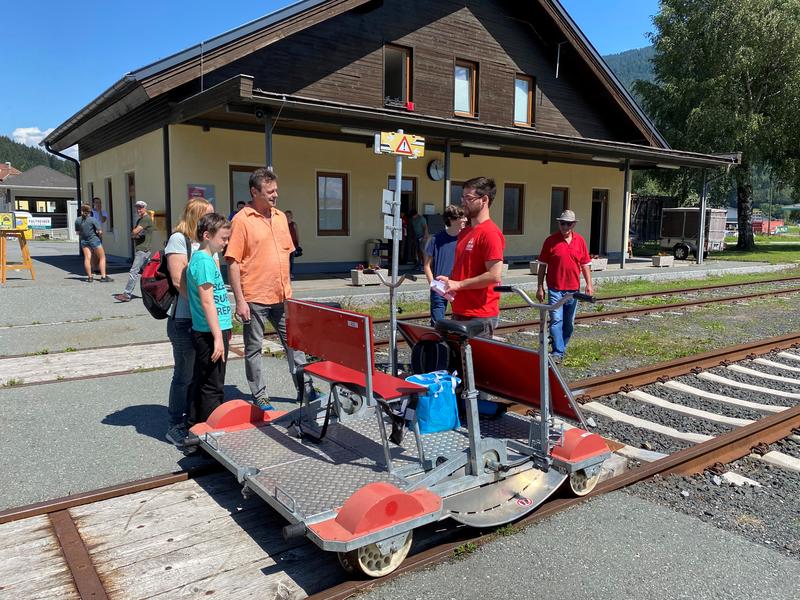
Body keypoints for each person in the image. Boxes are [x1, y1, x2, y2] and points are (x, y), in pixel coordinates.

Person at [225, 168, 314, 410]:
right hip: (254, 297)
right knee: (254, 349)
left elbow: (285, 254)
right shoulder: (241, 220)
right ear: (255, 192)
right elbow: (232, 262)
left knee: (296, 346)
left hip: (282, 296)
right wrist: (239, 301)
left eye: (276, 190)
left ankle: (306, 390)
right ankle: (260, 396)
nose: (276, 195)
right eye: (270, 191)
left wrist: (289, 289)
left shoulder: (280, 217)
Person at [164, 198, 213, 447]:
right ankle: (174, 424)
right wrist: (200, 306)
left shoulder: (202, 242)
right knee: (183, 375)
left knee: (198, 374)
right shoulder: (178, 240)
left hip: (202, 319)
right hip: (184, 319)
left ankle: (192, 420)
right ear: (196, 216)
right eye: (208, 216)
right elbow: (177, 280)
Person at [437, 177, 505, 336]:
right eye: (463, 197)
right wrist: (450, 283)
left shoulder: (490, 233)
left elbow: (494, 276)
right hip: (461, 310)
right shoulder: (465, 232)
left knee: (475, 361)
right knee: (457, 360)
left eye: (469, 198)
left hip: (480, 314)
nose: (463, 202)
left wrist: (459, 285)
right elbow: (466, 270)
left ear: (484, 200)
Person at [185, 213, 233, 430]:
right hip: (209, 332)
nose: (226, 243)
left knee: (203, 380)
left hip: (211, 329)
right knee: (213, 386)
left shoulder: (202, 259)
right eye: (223, 238)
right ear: (207, 235)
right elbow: (207, 302)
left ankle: (195, 427)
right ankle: (211, 433)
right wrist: (217, 338)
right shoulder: (204, 261)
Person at [535, 209, 594, 362]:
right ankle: (558, 352)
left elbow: (585, 265)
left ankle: (560, 346)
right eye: (563, 223)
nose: (565, 226)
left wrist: (589, 284)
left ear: (573, 225)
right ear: (559, 223)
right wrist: (540, 287)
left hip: (573, 290)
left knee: (569, 324)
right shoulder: (550, 241)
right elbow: (542, 266)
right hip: (555, 288)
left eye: (568, 224)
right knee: (556, 320)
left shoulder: (580, 241)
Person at [423, 204, 466, 324]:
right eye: (461, 217)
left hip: (458, 285)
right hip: (439, 287)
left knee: (462, 321)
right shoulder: (436, 239)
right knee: (437, 323)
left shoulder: (466, 238)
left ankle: (459, 342)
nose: (465, 219)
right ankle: (438, 342)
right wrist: (432, 284)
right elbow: (426, 265)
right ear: (452, 220)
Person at [114, 200, 153, 302]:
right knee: (148, 273)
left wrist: (135, 233)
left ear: (145, 208)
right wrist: (135, 233)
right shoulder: (141, 220)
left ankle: (127, 294)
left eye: (141, 207)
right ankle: (154, 292)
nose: (138, 209)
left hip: (142, 250)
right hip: (143, 249)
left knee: (133, 271)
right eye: (137, 207)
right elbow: (135, 234)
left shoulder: (146, 219)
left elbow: (134, 231)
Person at [75, 203, 113, 283]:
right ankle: (103, 277)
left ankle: (90, 277)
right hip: (94, 240)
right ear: (90, 211)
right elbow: (100, 231)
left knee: (87, 258)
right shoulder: (92, 219)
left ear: (81, 211)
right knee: (102, 257)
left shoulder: (77, 220)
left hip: (84, 241)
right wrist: (99, 235)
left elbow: (78, 233)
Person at [90, 197, 109, 275]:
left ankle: (97, 267)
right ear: (93, 204)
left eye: (100, 202)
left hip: (99, 234)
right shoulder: (90, 212)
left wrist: (100, 211)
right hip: (91, 233)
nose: (98, 204)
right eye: (97, 202)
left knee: (98, 251)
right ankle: (94, 267)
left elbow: (103, 220)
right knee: (93, 251)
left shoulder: (103, 212)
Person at [285, 210, 301, 278]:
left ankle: (290, 273)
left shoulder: (294, 224)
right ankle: (286, 274)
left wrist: (297, 244)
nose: (287, 217)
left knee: (291, 260)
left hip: (293, 245)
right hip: (285, 245)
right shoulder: (283, 224)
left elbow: (297, 234)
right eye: (286, 215)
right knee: (285, 260)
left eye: (289, 215)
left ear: (291, 216)